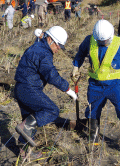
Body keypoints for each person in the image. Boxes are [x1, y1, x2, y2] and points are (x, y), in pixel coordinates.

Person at [71, 19, 120, 152]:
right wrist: (76, 67)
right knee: (93, 110)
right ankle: (94, 136)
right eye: (102, 42)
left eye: (106, 41)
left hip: (115, 86)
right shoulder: (90, 40)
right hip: (95, 85)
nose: (104, 43)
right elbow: (80, 54)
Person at [14, 26, 77, 158]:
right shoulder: (44, 52)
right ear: (49, 39)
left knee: (29, 120)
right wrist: (67, 89)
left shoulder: (36, 47)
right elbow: (51, 74)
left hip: (20, 88)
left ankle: (24, 152)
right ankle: (24, 134)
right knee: (52, 110)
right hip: (29, 88)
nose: (58, 49)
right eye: (58, 45)